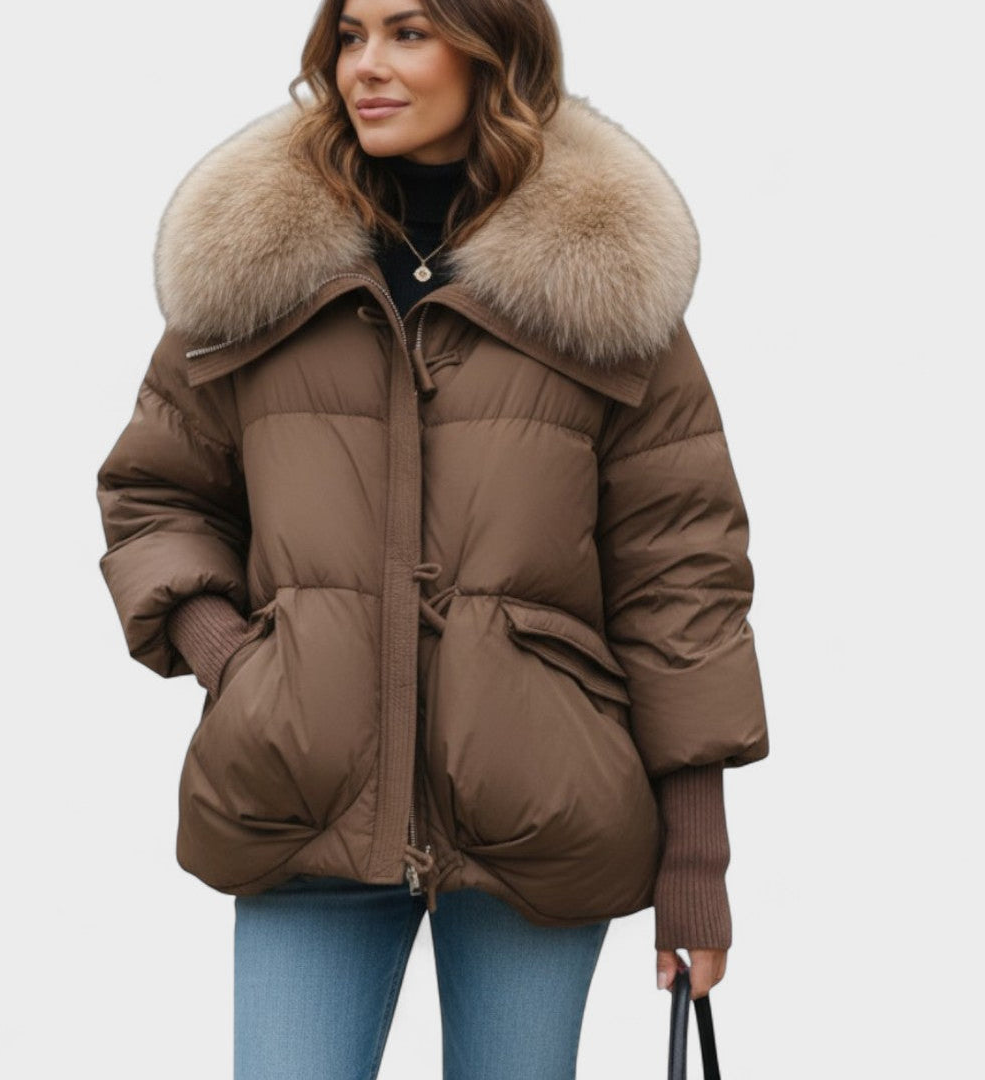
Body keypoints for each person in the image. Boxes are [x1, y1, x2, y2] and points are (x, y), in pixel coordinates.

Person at [95, 0, 769, 1075]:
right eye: (350, 35)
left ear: (492, 49)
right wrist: (242, 661)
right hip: (301, 802)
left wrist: (697, 857)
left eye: (407, 32)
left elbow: (680, 571)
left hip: (540, 816)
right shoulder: (254, 264)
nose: (367, 65)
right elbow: (155, 493)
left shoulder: (603, 282)